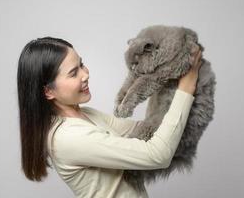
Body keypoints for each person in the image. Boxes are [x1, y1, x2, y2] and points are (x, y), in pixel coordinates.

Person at [17, 37, 202, 198]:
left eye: (81, 64)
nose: (85, 74)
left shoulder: (85, 114)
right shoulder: (68, 137)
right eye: (73, 73)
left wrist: (162, 75)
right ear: (48, 91)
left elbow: (146, 129)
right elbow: (157, 154)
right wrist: (187, 86)